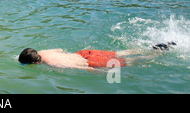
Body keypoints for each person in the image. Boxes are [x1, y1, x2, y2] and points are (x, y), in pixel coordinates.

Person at [18, 44, 175, 70]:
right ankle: (152, 48)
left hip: (88, 61)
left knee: (126, 63)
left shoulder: (52, 65)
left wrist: (99, 72)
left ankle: (156, 55)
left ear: (36, 64)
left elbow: (81, 68)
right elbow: (59, 49)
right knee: (120, 53)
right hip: (84, 52)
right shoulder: (44, 51)